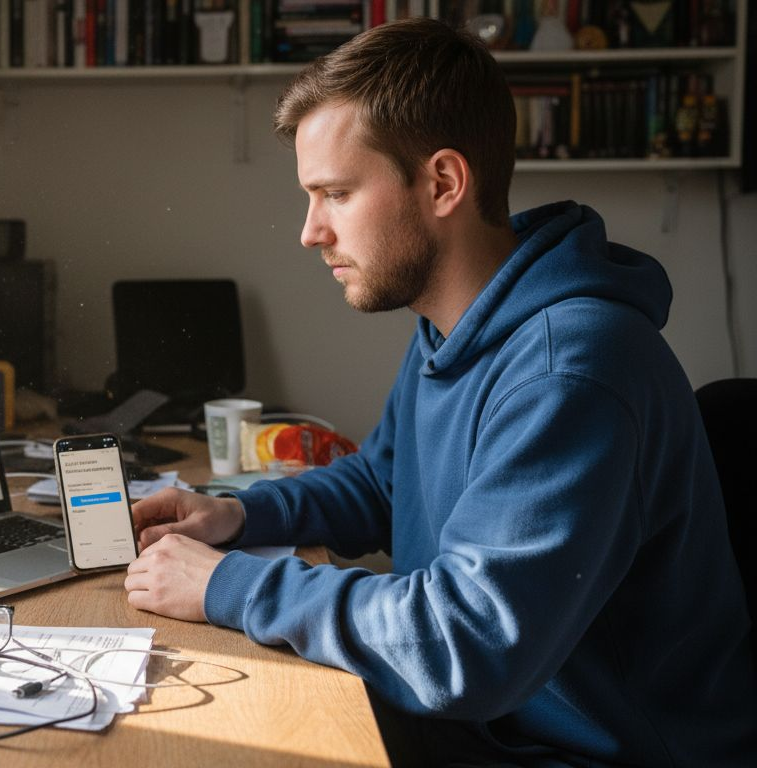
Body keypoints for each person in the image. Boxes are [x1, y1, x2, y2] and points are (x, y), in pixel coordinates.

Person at [124, 17, 757, 766]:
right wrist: (236, 513)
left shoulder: (571, 367)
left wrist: (230, 584)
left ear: (444, 183)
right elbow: (390, 480)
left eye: (335, 193)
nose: (310, 231)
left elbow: (469, 646)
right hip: (491, 725)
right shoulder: (461, 323)